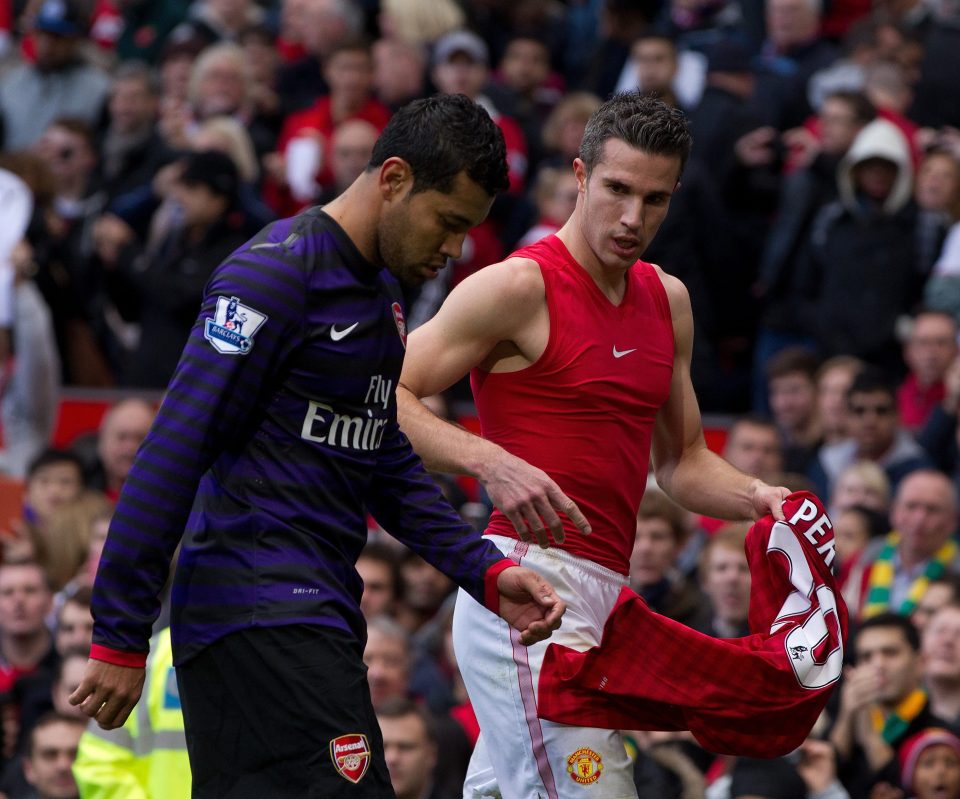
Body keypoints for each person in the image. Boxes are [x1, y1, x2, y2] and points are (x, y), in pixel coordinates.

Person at [69, 94, 566, 798]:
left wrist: (480, 570)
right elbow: (173, 448)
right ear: (393, 179)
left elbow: (381, 453)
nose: (454, 249)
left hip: (302, 612)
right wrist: (120, 631)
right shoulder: (272, 278)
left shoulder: (381, 295)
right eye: (449, 222)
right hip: (261, 611)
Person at [396, 91, 788, 799]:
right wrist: (489, 458)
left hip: (604, 595)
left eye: (656, 199)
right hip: (524, 586)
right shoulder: (519, 284)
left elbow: (681, 461)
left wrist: (763, 499)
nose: (635, 218)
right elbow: (378, 395)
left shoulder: (667, 298)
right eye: (617, 190)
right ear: (579, 176)